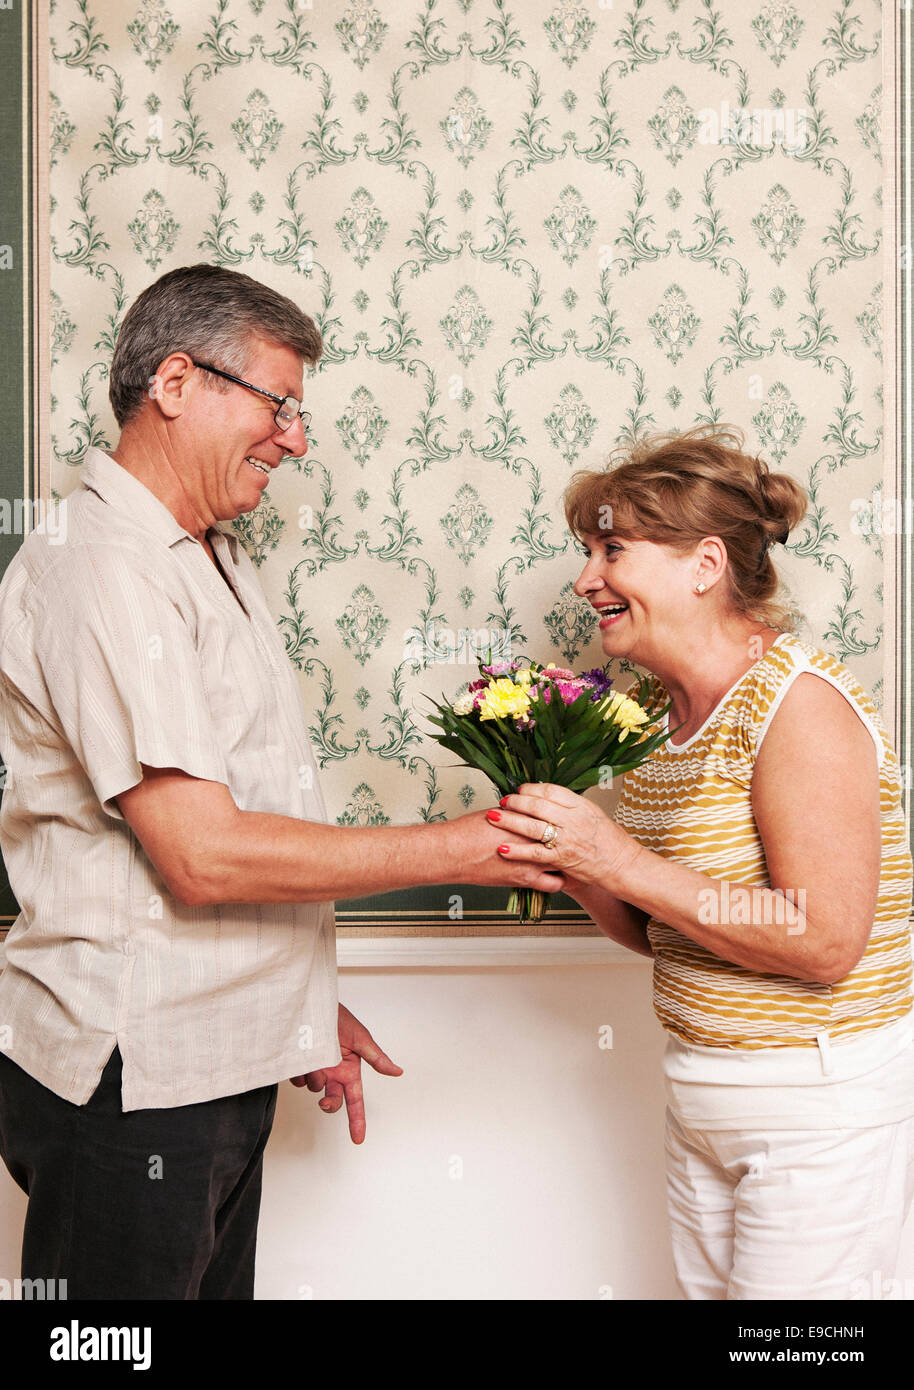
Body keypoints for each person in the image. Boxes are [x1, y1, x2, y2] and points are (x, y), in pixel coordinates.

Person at [0, 263, 562, 1300]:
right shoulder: (106, 564)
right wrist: (471, 842)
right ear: (176, 382)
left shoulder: (201, 553)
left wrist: (291, 1002)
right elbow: (200, 854)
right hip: (134, 1081)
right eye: (278, 403)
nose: (295, 438)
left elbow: (225, 823)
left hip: (203, 1056)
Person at [494, 425, 914, 1300]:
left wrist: (616, 855)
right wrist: (576, 865)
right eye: (586, 552)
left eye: (612, 549)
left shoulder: (798, 704)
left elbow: (825, 938)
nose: (585, 580)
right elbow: (672, 934)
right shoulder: (659, 714)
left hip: (817, 1104)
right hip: (704, 1094)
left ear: (705, 564)